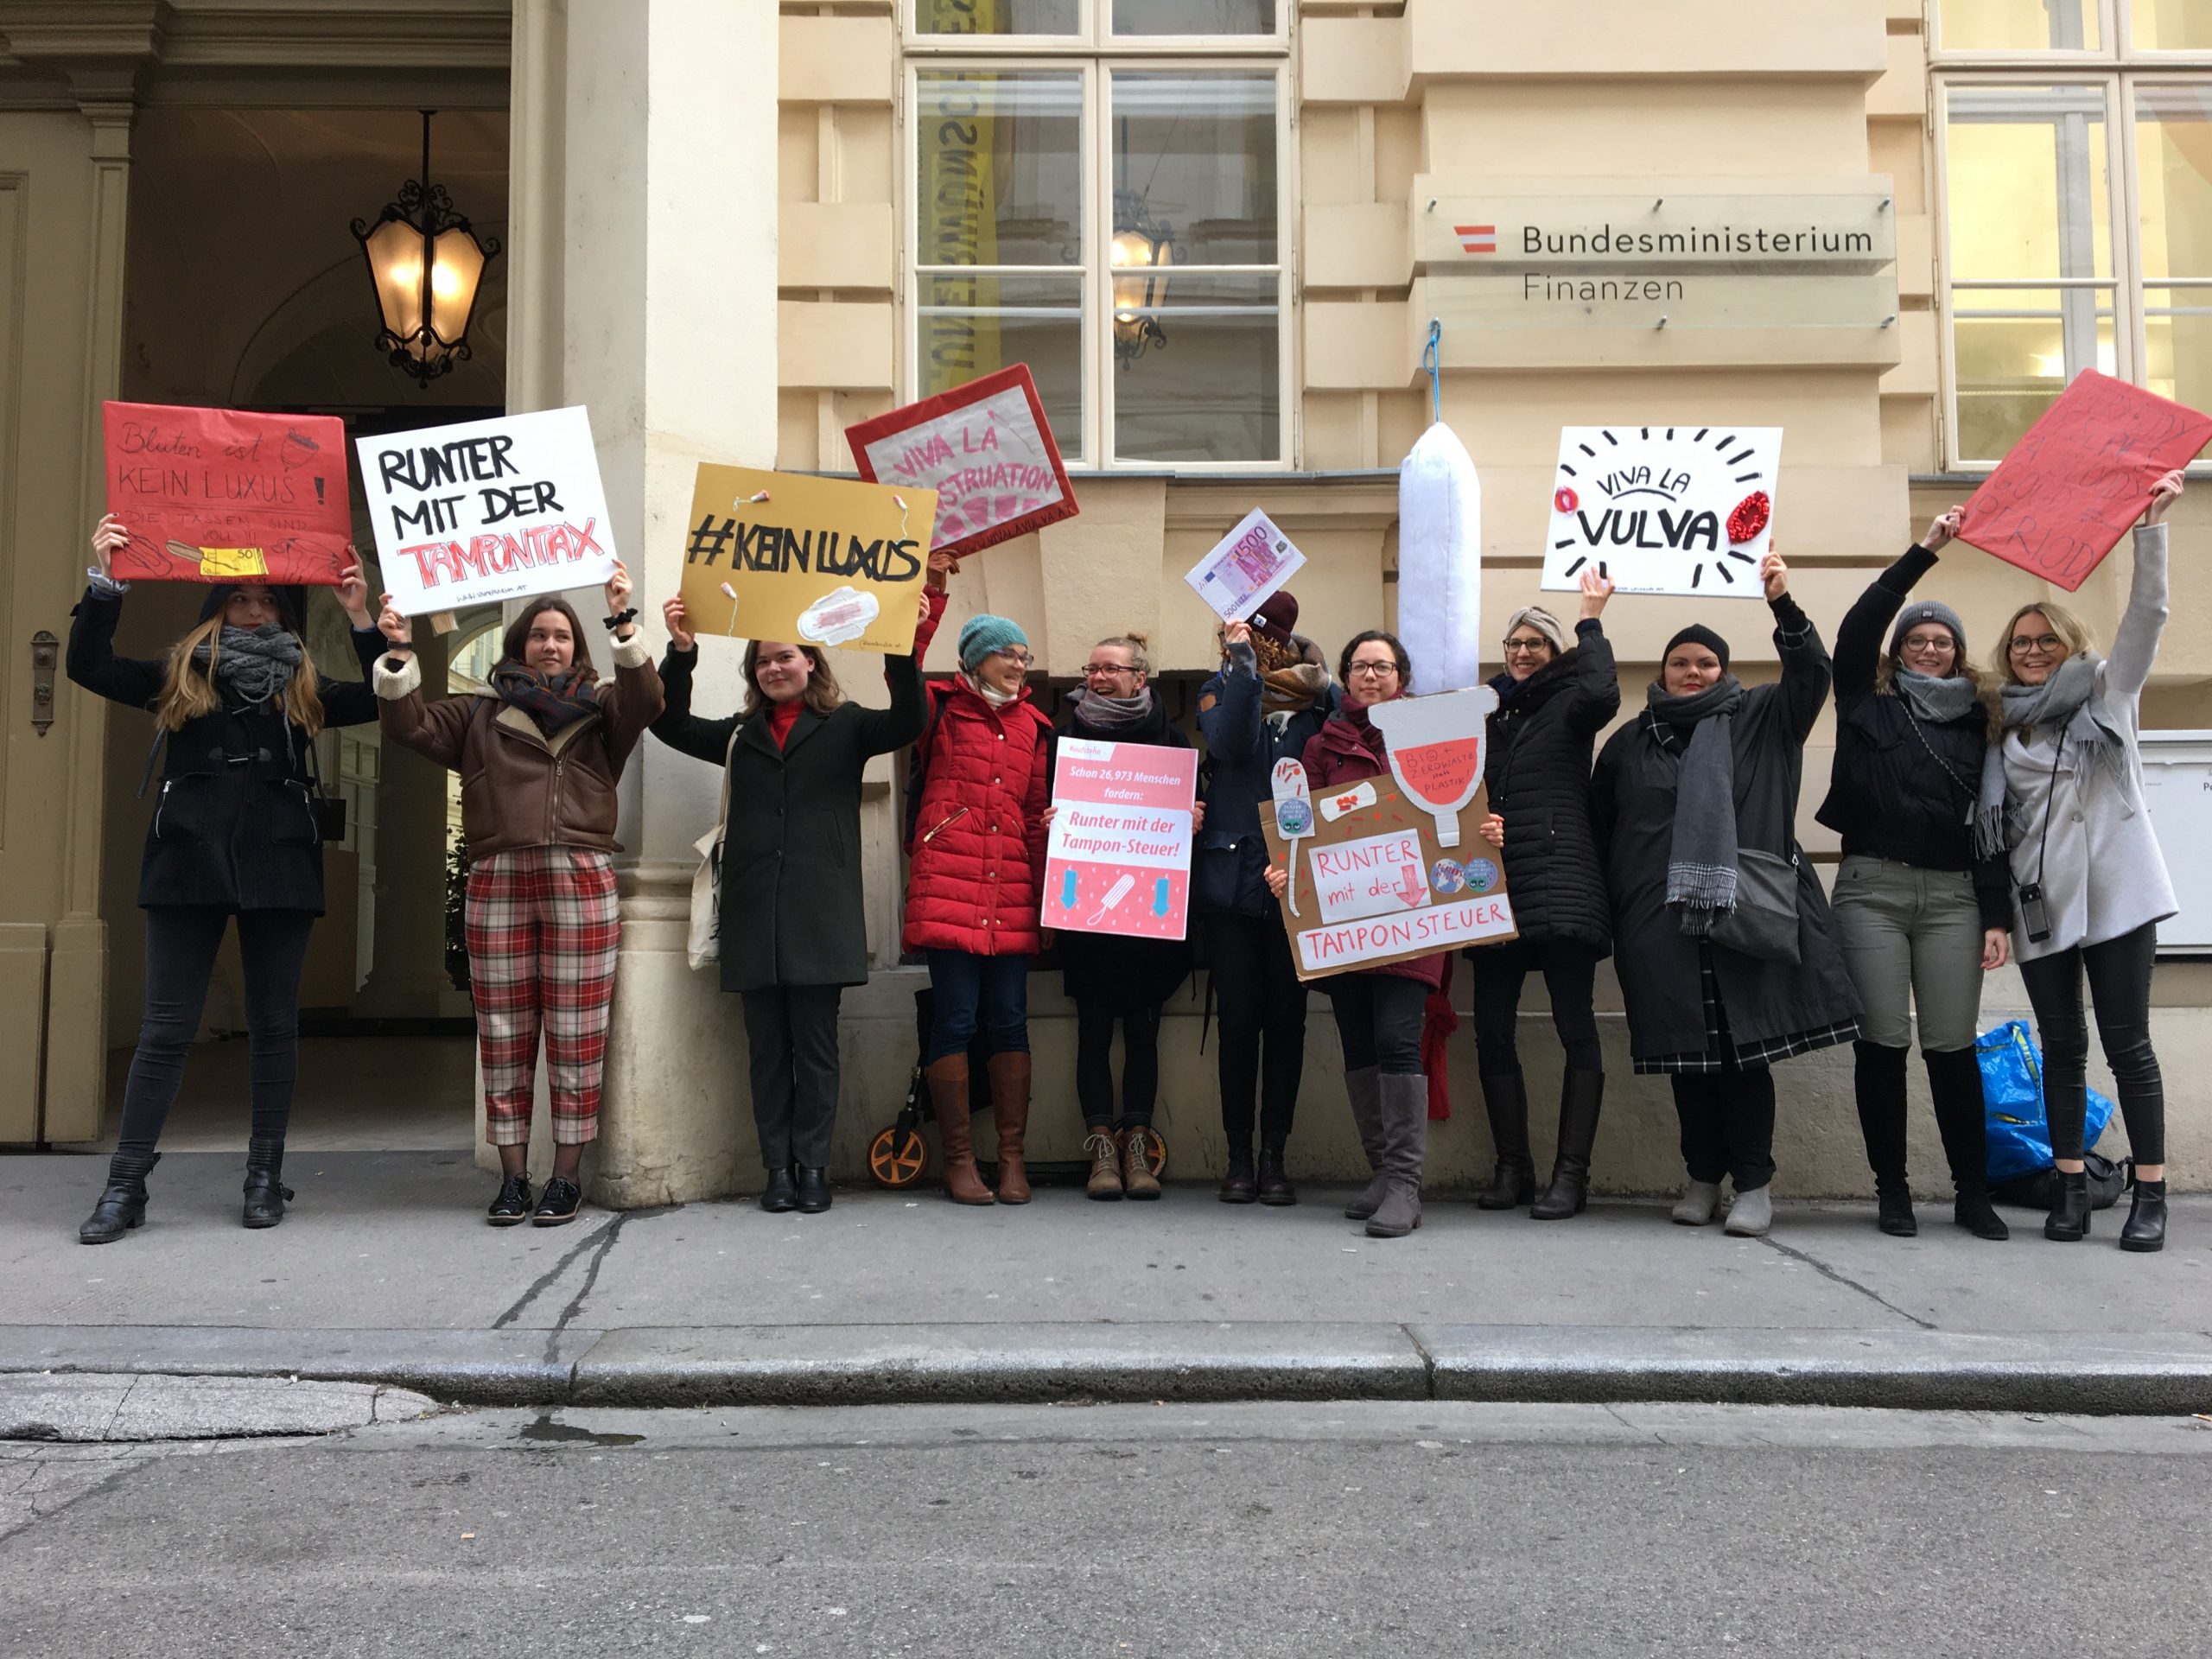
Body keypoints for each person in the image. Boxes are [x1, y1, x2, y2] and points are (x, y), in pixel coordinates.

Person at [70, 513, 384, 1243]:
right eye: (240, 597)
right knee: (165, 1027)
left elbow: (383, 696)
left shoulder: (304, 684)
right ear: (216, 605)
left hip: (280, 860)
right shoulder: (179, 675)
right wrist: (108, 581)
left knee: (274, 1026)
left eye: (268, 600)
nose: (254, 609)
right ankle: (125, 1184)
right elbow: (89, 665)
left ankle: (264, 1176)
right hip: (188, 859)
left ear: (286, 612)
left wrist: (362, 618)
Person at [373, 566, 662, 1227]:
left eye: (561, 636)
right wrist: (399, 650)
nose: (550, 645)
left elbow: (648, 699)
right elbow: (407, 724)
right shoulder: (477, 712)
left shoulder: (604, 708)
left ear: (577, 647)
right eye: (538, 635)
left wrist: (623, 620)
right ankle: (512, 1180)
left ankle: (565, 1178)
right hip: (498, 875)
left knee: (577, 1030)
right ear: (519, 645)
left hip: (580, 875)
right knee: (503, 1030)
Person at [648, 562, 931, 1214]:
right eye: (762, 662)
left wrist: (901, 647)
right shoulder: (739, 734)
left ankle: (814, 1169)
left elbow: (909, 719)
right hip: (755, 918)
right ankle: (777, 1169)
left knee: (817, 1051)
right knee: (768, 1054)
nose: (773, 668)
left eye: (784, 657)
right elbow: (669, 724)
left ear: (811, 662)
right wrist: (682, 651)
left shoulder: (848, 725)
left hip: (820, 919)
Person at [1591, 553, 1861, 1237]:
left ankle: (1754, 1185)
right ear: (1661, 673)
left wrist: (1783, 604)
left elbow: (1812, 674)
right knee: (1689, 1059)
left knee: (1746, 1055)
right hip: (1659, 922)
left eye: (1706, 663)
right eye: (1680, 662)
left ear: (1724, 670)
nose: (1693, 672)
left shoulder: (1762, 717)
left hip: (1746, 913)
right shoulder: (1628, 745)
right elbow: (1604, 829)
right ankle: (1702, 1178)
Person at [1983, 472, 2183, 1250]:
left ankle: (2151, 1194)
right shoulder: (2005, 727)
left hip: (2119, 898)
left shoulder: (2109, 694)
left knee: (2129, 1046)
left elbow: (2149, 615)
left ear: (2069, 644)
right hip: (2044, 903)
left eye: (2045, 640)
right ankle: (2069, 1187)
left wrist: (2150, 529)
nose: (2032, 651)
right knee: (2061, 1046)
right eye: (2021, 643)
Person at [1265, 630, 1505, 1239]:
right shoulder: (1320, 745)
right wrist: (1283, 869)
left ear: (1402, 676)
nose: (1370, 675)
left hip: (1414, 918)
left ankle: (1404, 1184)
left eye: (1383, 666)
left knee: (1398, 1039)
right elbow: (1299, 827)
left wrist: (1486, 832)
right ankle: (1381, 1173)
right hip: (1345, 921)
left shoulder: (1430, 736)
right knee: (1359, 1045)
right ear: (1345, 675)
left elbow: (1462, 803)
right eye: (1360, 666)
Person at [1818, 508, 2012, 1241]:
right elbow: (1854, 632)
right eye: (1917, 639)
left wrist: (1995, 916)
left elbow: (1991, 829)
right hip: (1872, 890)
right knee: (1882, 1043)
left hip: (1955, 900)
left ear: (1957, 654)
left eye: (1942, 641)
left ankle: (1972, 1193)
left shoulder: (1981, 722)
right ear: (1899, 650)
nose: (1929, 648)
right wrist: (1923, 553)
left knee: (1952, 1046)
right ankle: (1892, 1191)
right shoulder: (1867, 705)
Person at [1467, 570, 1621, 1220]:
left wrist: (1591, 619)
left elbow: (1604, 692)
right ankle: (1514, 1169)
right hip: (1496, 890)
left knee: (1574, 1028)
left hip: (1562, 881)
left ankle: (1571, 1175)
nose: (1523, 652)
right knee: (1491, 1031)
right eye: (1515, 643)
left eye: (1536, 643)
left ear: (1556, 653)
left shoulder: (1573, 702)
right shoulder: (1487, 713)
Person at [904, 568, 1052, 1205]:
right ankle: (959, 1161)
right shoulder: (937, 709)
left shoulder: (1035, 726)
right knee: (956, 1021)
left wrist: (1048, 900)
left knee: (1011, 1022)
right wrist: (927, 609)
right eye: (1007, 654)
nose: (1018, 665)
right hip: (949, 891)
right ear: (975, 659)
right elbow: (900, 679)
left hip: (1010, 896)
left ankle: (1011, 1159)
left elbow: (1034, 813)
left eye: (1024, 656)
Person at [1194, 593, 1336, 1205]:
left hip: (1298, 885)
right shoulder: (1218, 689)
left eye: (1254, 639)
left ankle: (1275, 1156)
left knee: (1287, 1023)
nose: (1239, 645)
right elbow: (1228, 745)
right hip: (1232, 886)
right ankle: (1239, 1157)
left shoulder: (1323, 700)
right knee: (1237, 1023)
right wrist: (1243, 671)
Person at [1052, 632, 1195, 1202]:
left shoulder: (1172, 739)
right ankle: (1101, 1153)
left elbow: (1185, 815)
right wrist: (1051, 820)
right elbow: (1045, 807)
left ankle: (1137, 1145)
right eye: (1092, 669)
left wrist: (1191, 818)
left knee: (1142, 1031)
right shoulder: (1067, 739)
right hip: (1087, 912)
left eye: (1111, 669)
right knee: (1092, 1030)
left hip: (1149, 917)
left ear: (1140, 678)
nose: (1098, 677)